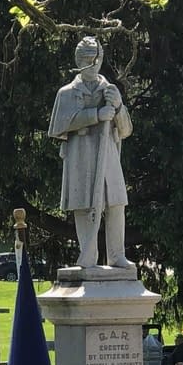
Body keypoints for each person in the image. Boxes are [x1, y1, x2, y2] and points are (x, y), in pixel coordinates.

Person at [48, 36, 133, 269]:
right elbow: (58, 126)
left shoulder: (110, 91)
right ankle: (88, 252)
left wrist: (118, 108)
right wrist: (95, 115)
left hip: (108, 155)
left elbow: (125, 130)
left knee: (115, 203)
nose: (91, 64)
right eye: (86, 59)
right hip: (81, 156)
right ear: (78, 61)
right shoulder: (66, 93)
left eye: (95, 59)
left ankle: (117, 254)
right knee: (84, 203)